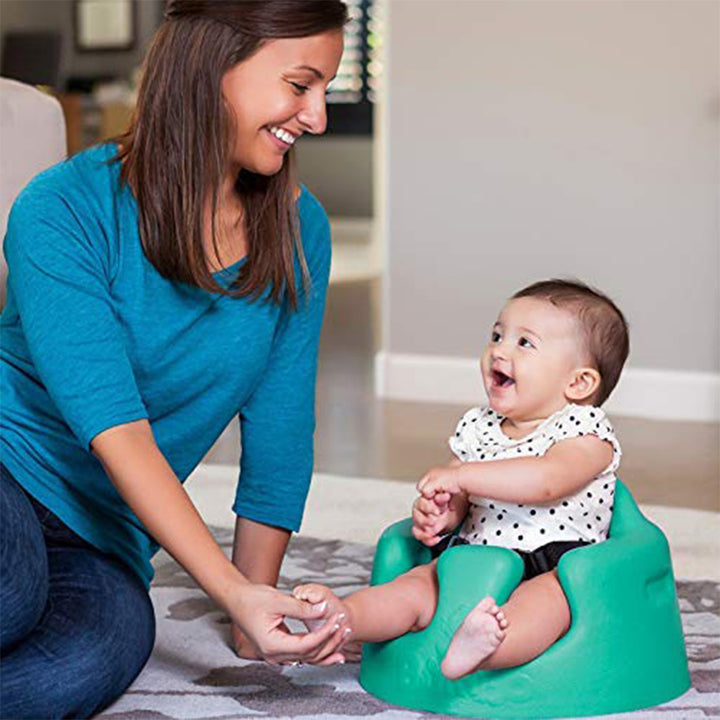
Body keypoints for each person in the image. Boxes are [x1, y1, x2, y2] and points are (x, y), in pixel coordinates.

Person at [0, 2, 352, 717]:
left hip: (101, 540)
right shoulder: (61, 209)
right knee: (12, 588)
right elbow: (114, 426)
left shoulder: (298, 229)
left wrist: (258, 608)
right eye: (300, 84)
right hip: (8, 468)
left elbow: (281, 429)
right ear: (213, 65)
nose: (316, 116)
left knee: (94, 656)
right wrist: (226, 586)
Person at [294, 279, 629, 678]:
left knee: (550, 604)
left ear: (578, 382)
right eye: (497, 335)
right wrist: (441, 513)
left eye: (524, 343)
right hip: (473, 557)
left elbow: (547, 481)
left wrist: (463, 476)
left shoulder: (586, 431)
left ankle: (487, 650)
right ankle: (343, 620)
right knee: (417, 587)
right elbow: (460, 500)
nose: (499, 350)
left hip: (554, 564)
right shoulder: (479, 427)